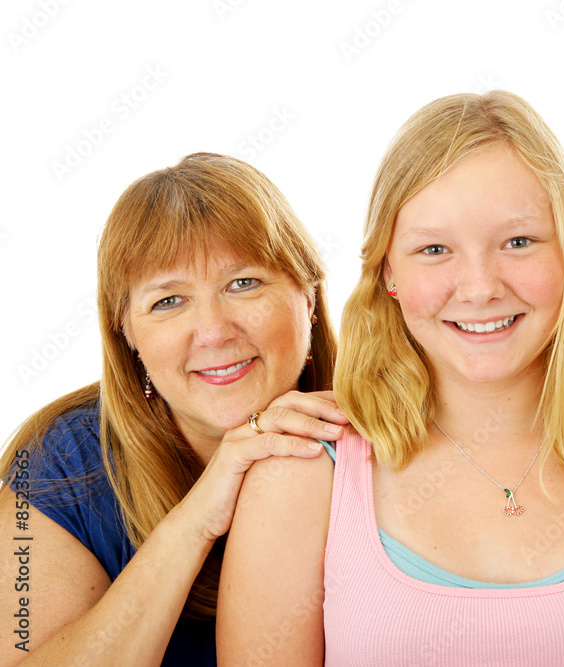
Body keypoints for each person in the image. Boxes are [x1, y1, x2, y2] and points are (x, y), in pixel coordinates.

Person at [218, 92, 564, 665]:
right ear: (389, 273)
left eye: (518, 242)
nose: (479, 287)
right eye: (434, 249)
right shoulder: (300, 473)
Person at [0, 153, 348, 665]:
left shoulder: (383, 437)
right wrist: (197, 518)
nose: (213, 330)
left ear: (309, 294)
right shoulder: (58, 463)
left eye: (243, 283)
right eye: (168, 301)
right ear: (129, 335)